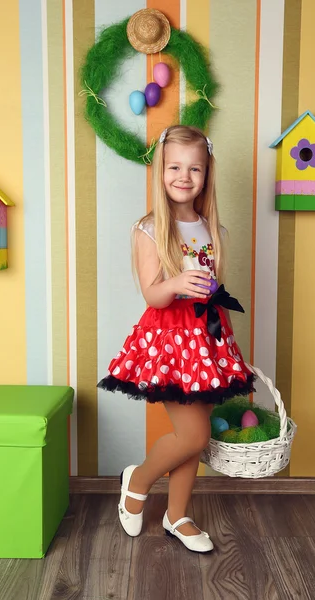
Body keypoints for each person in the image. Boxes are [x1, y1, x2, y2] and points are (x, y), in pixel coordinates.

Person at [98, 125, 255, 553]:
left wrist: (226, 340)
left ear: (207, 174)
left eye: (195, 168)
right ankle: (139, 480)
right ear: (160, 171)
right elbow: (153, 293)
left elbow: (214, 292)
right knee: (194, 435)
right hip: (170, 342)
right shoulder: (149, 229)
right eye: (174, 167)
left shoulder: (212, 230)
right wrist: (179, 282)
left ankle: (177, 513)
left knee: (197, 431)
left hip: (206, 340)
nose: (184, 176)